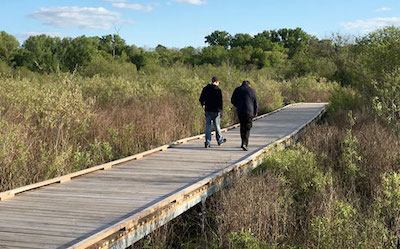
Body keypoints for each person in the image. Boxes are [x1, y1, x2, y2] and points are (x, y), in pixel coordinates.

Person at [199, 76, 226, 148]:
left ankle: (207, 141)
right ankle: (219, 140)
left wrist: (203, 105)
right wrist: (221, 110)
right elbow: (220, 102)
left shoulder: (205, 89)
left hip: (208, 110)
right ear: (217, 82)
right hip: (216, 110)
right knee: (217, 125)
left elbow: (201, 99)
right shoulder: (218, 90)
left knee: (208, 125)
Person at [231, 80, 258, 151]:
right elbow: (255, 102)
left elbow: (232, 100)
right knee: (247, 127)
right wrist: (255, 112)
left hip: (240, 111)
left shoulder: (237, 90)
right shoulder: (252, 90)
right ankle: (245, 143)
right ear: (249, 84)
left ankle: (242, 142)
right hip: (249, 111)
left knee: (242, 126)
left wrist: (238, 105)